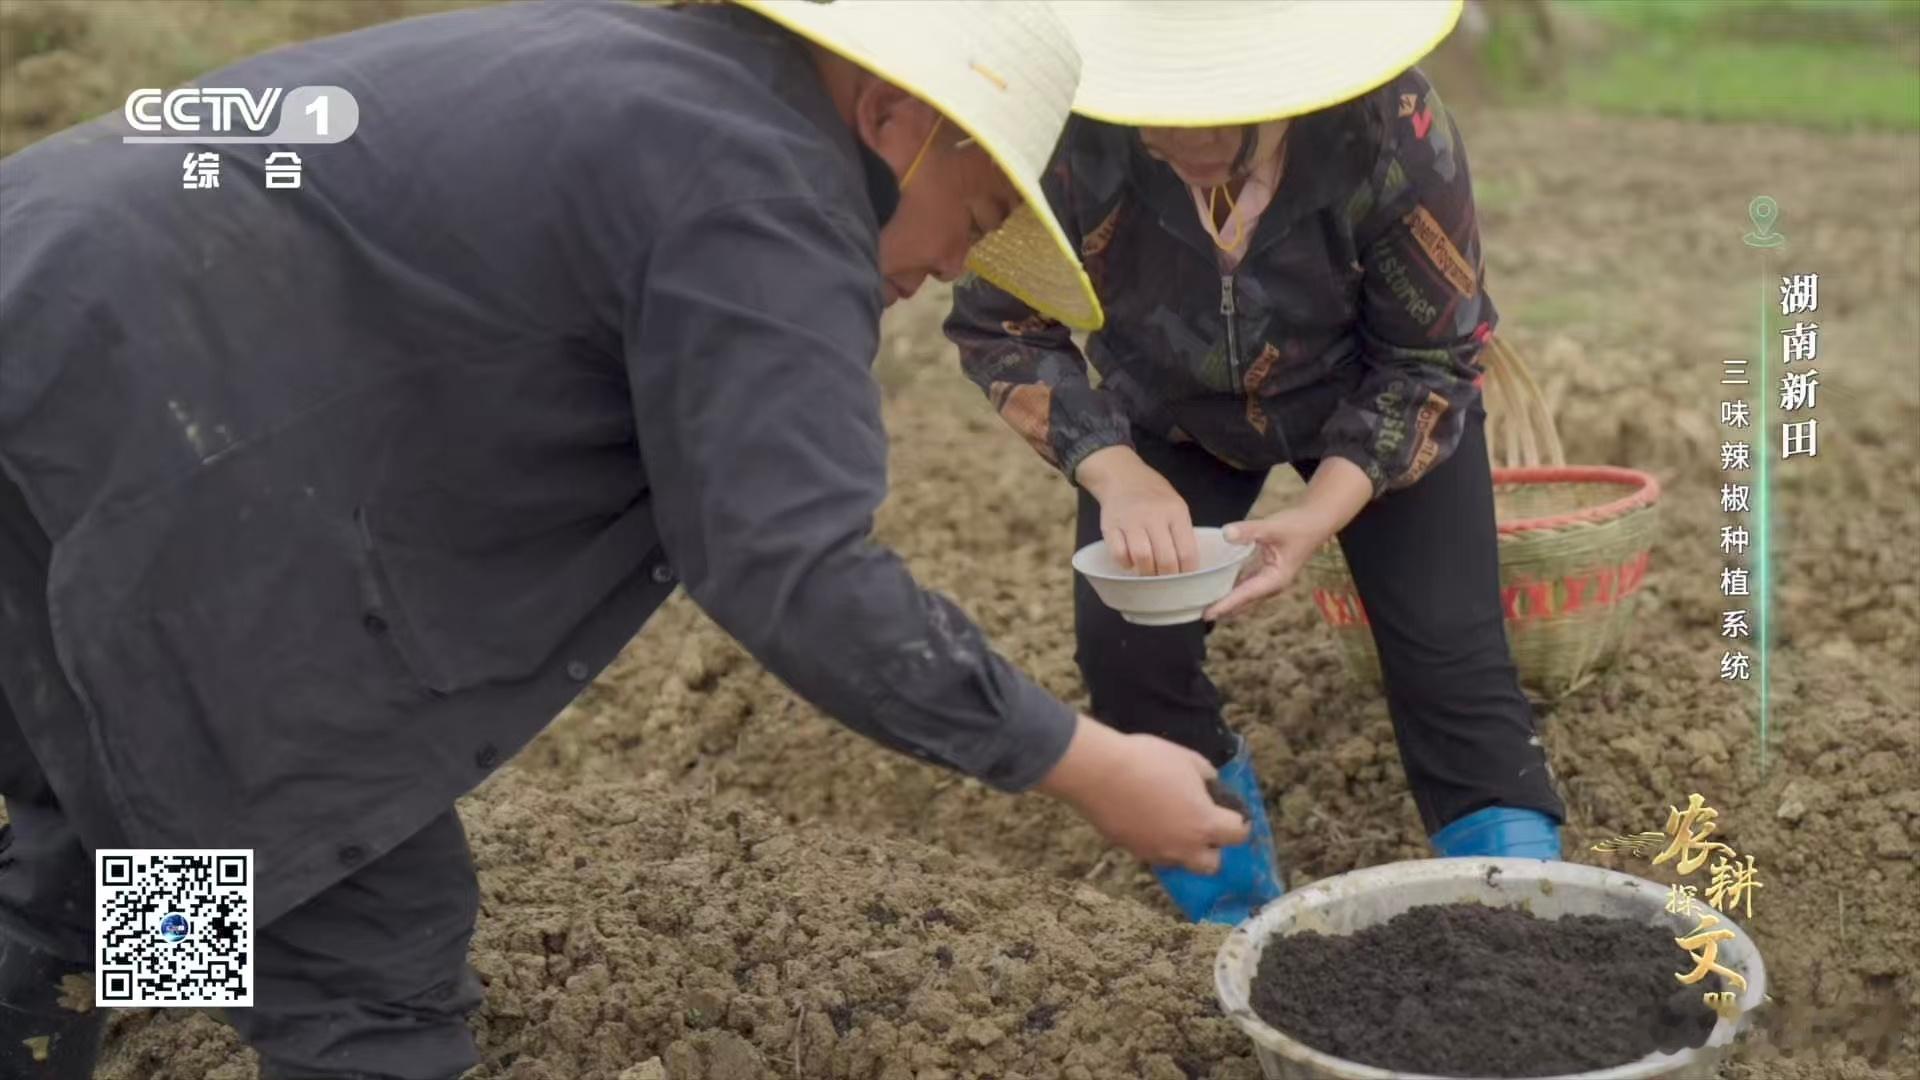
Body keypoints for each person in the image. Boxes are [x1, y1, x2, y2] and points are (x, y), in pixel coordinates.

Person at [0, 2, 1254, 1076]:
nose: (948, 263)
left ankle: (58, 989)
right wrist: (1082, 762)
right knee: (365, 949)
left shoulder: (647, 79)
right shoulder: (764, 184)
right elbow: (792, 567)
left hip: (52, 342)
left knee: (133, 812)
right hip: (153, 450)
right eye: (973, 209)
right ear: (890, 118)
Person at [945, 0, 1567, 926]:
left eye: (1215, 112)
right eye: (1159, 108)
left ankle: (1524, 926)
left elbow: (1432, 360)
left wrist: (1320, 512)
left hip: (1373, 393)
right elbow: (999, 321)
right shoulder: (1074, 137)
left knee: (1450, 663)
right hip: (1169, 415)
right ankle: (1229, 913)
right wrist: (1113, 465)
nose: (1181, 138)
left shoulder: (1392, 128)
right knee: (1128, 653)